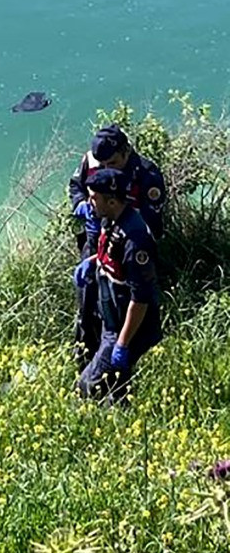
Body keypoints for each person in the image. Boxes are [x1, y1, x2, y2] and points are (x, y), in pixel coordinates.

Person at [67, 125, 166, 363]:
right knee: (87, 303)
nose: (104, 169)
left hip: (126, 250)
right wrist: (81, 203)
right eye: (101, 165)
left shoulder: (146, 175)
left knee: (121, 309)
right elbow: (75, 185)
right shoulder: (93, 159)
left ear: (126, 152)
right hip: (95, 244)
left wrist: (114, 219)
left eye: (112, 163)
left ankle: (116, 364)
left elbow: (151, 226)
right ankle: (85, 359)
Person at [73, 169, 162, 404]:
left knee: (88, 385)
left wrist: (121, 344)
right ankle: (120, 421)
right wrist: (91, 263)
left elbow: (140, 299)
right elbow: (111, 256)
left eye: (94, 198)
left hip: (128, 326)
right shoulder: (110, 219)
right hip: (112, 319)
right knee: (117, 388)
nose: (89, 202)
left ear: (112, 201)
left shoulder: (135, 240)